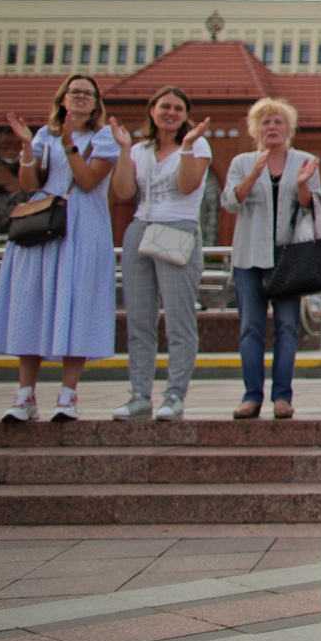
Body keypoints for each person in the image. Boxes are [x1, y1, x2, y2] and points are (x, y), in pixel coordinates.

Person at [0, 75, 119, 422]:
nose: (81, 98)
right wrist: (28, 146)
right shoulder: (46, 134)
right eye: (75, 92)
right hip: (41, 227)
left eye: (88, 94)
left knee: (76, 306)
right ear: (63, 99)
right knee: (32, 304)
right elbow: (30, 185)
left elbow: (89, 181)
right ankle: (25, 395)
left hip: (82, 228)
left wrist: (71, 145)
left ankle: (68, 394)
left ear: (96, 102)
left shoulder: (103, 137)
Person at [107, 87, 213, 421]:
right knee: (139, 320)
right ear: (152, 110)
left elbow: (186, 186)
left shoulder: (196, 145)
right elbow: (123, 192)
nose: (171, 112)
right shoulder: (139, 149)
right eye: (164, 106)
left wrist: (184, 148)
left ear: (186, 114)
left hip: (177, 229)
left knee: (179, 321)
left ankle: (174, 395)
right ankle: (139, 395)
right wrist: (124, 151)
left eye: (178, 108)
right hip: (140, 229)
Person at [221, 98, 321, 418]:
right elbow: (230, 203)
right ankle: (252, 395)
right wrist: (253, 174)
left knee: (287, 327)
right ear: (255, 130)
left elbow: (312, 209)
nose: (272, 127)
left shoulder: (304, 161)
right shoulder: (242, 162)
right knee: (251, 326)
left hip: (288, 258)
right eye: (265, 123)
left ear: (289, 129)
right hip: (249, 256)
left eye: (278, 122)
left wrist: (303, 186)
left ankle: (282, 396)